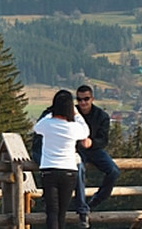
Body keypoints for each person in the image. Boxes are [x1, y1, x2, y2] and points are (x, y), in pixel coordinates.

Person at [33, 90, 90, 229]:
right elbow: (85, 131)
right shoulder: (73, 128)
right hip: (69, 171)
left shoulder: (47, 124)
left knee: (52, 212)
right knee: (62, 212)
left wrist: (50, 112)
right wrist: (76, 114)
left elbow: (36, 127)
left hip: (49, 171)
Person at [75, 85, 120, 210]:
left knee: (114, 171)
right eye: (79, 99)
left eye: (86, 99)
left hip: (95, 150)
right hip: (77, 151)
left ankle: (97, 199)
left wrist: (92, 143)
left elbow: (103, 140)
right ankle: (81, 206)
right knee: (79, 171)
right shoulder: (72, 114)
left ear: (92, 99)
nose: (83, 102)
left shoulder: (102, 116)